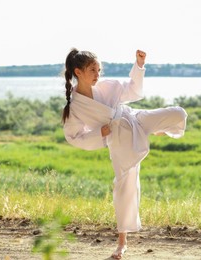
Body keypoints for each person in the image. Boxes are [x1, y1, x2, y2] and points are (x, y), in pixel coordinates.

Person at [62, 48, 187, 259]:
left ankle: (153, 129)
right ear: (78, 72)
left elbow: (133, 90)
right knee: (125, 188)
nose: (97, 74)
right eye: (92, 70)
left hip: (134, 119)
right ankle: (122, 243)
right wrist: (98, 133)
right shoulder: (75, 107)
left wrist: (139, 65)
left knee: (178, 113)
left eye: (99, 69)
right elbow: (74, 136)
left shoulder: (107, 86)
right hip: (119, 141)